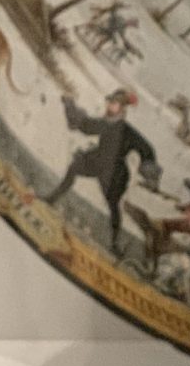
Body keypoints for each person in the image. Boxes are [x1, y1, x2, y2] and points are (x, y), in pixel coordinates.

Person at [44, 88, 161, 253]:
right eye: (110, 102)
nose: (110, 106)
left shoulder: (127, 130)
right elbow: (86, 126)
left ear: (122, 108)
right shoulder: (106, 123)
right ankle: (52, 198)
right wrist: (69, 104)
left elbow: (146, 150)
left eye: (114, 103)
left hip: (114, 172)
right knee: (74, 168)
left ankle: (115, 243)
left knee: (113, 205)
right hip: (96, 160)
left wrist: (150, 176)